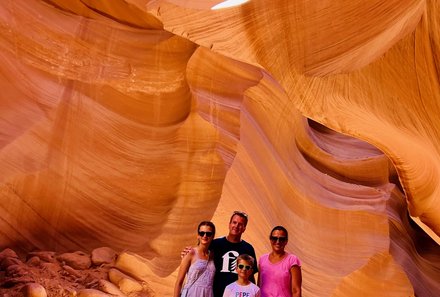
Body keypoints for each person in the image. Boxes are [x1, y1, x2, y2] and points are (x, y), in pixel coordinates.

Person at [182, 211, 258, 297]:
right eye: (234, 222)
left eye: (240, 224)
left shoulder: (248, 248)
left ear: (244, 228)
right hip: (214, 294)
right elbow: (200, 251)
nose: (236, 226)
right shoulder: (215, 244)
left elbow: (251, 276)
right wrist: (188, 252)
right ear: (229, 224)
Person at [174, 221, 216, 297]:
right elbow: (179, 282)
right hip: (192, 293)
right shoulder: (190, 253)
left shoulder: (213, 255)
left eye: (208, 233)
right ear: (198, 236)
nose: (205, 236)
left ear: (213, 236)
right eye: (202, 233)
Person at [258, 226, 302, 297]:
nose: (277, 242)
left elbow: (296, 290)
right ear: (270, 239)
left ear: (286, 241)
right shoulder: (262, 259)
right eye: (274, 238)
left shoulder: (292, 260)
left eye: (281, 239)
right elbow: (259, 286)